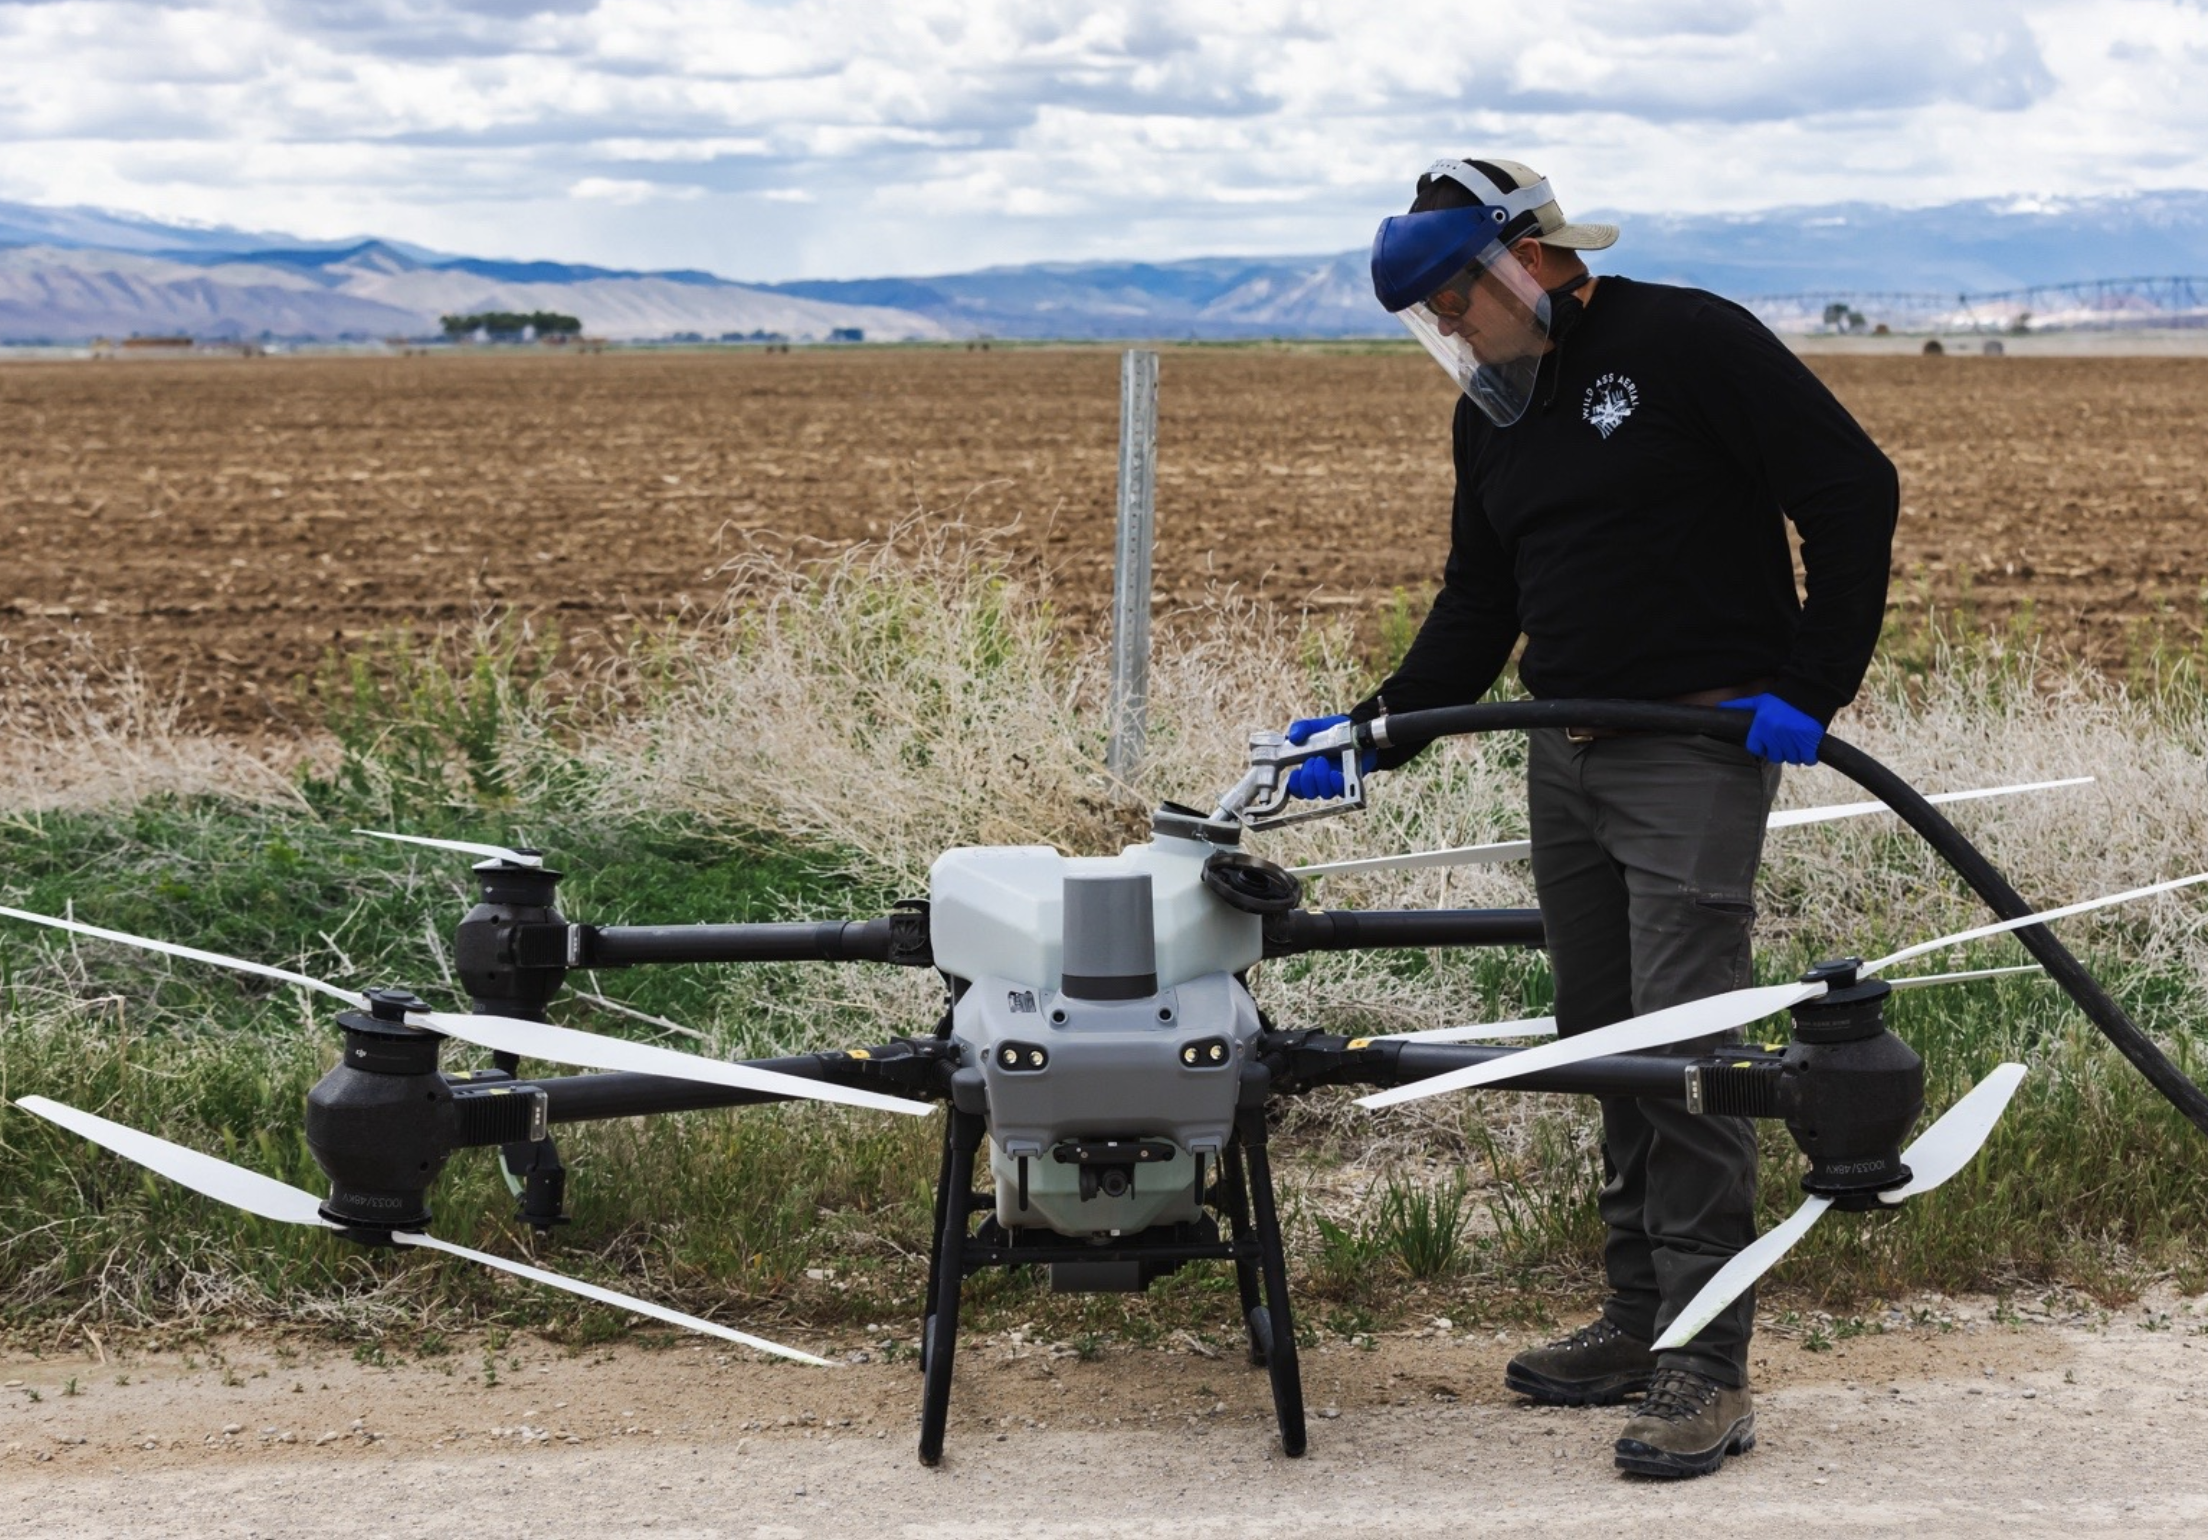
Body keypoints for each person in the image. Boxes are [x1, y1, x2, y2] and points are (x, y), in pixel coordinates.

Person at [1283, 157, 1897, 1479]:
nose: (1452, 335)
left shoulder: (1685, 340)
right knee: (1604, 1041)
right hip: (1561, 754)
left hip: (1694, 746)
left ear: (1526, 262)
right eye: (1432, 320)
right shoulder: (1492, 412)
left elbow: (1853, 491)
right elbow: (1478, 599)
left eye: (1459, 303)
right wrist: (1374, 727)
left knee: (1685, 1052)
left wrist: (1810, 685)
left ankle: (1706, 1367)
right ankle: (1636, 1317)